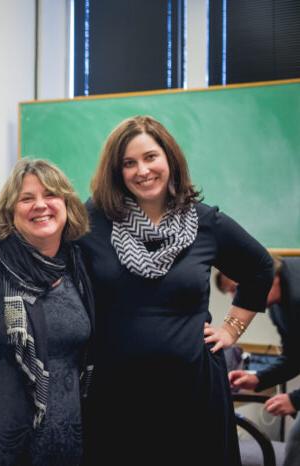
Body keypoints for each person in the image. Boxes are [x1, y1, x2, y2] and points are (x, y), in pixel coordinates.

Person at [78, 115, 275, 466]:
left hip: (195, 393)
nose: (142, 170)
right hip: (118, 396)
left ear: (169, 158)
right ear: (116, 171)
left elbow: (260, 267)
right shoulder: (94, 220)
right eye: (129, 163)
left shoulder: (205, 222)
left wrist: (231, 330)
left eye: (150, 157)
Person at [0, 158, 95, 465]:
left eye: (50, 196)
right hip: (4, 436)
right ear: (11, 210)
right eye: (27, 198)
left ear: (66, 204)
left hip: (69, 433)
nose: (40, 205)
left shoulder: (79, 263)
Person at [220, 256, 300, 466]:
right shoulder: (279, 305)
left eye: (236, 289)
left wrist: (295, 400)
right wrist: (258, 379)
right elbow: (294, 358)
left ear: (266, 276)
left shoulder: (297, 292)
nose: (236, 299)